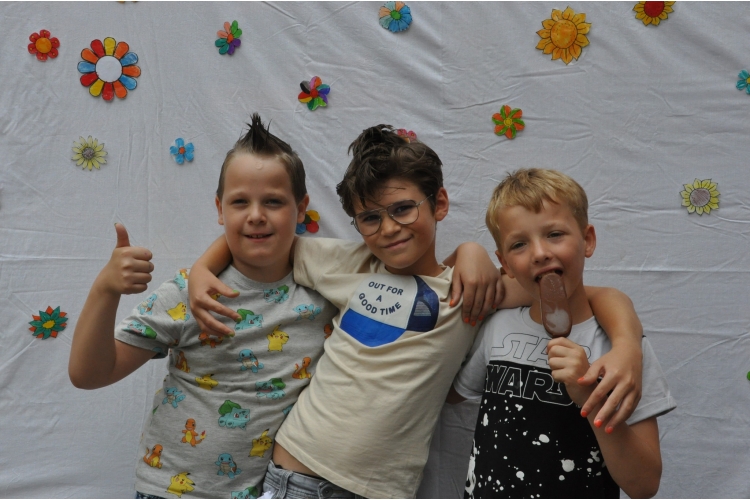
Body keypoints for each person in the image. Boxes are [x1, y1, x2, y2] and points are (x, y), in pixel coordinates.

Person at [187, 126, 646, 499]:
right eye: (371, 218)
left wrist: (626, 346)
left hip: (383, 491)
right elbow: (261, 239)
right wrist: (202, 271)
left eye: (403, 209)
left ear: (439, 203)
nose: (389, 228)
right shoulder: (348, 263)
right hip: (298, 476)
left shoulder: (471, 289)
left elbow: (582, 292)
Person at [68, 114, 337, 499]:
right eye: (240, 201)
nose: (256, 215)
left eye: (273, 201)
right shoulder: (188, 293)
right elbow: (89, 374)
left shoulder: (327, 290)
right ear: (219, 208)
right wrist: (104, 290)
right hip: (172, 491)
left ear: (301, 207)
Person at [449, 168, 676, 499]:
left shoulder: (622, 353)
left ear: (588, 240)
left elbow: (644, 485)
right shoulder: (496, 328)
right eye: (519, 244)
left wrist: (589, 395)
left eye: (555, 234)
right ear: (505, 264)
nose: (540, 253)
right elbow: (450, 394)